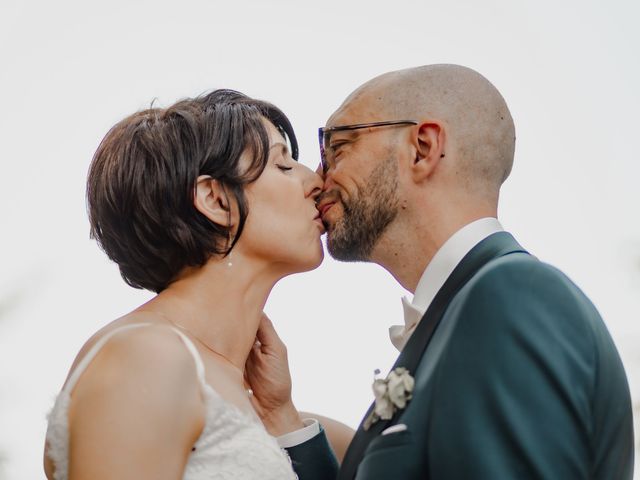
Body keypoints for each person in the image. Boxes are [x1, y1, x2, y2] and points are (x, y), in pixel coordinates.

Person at [245, 65, 635, 479]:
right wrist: (281, 416)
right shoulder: (472, 310)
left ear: (423, 148)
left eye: (338, 148)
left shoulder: (512, 297)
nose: (319, 180)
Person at [43, 89, 329, 479]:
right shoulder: (145, 357)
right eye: (283, 165)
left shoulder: (255, 401)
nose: (316, 181)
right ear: (215, 200)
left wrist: (283, 415)